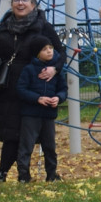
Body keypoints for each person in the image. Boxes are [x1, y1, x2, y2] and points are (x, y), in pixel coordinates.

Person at [0, 0, 66, 184]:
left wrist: (54, 69)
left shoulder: (42, 26)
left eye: (24, 0)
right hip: (8, 85)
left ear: (33, 4)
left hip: (32, 84)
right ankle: (3, 172)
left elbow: (60, 53)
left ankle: (39, 173)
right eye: (16, 0)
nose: (20, 4)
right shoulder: (5, 26)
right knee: (10, 131)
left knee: (30, 132)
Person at [14, 35, 67, 183]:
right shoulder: (29, 70)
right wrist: (37, 98)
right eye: (45, 49)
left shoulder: (55, 71)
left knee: (50, 146)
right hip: (31, 114)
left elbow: (63, 89)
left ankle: (52, 174)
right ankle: (24, 175)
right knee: (27, 145)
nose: (49, 51)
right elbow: (21, 89)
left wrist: (58, 98)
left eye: (51, 48)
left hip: (48, 115)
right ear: (37, 52)